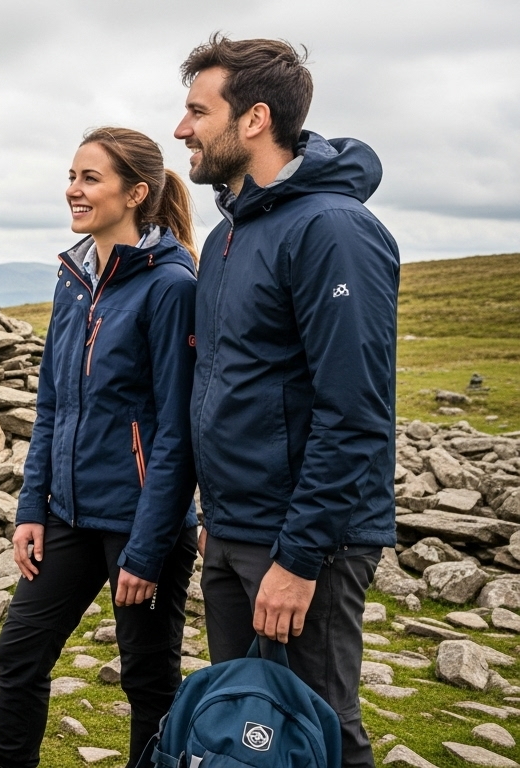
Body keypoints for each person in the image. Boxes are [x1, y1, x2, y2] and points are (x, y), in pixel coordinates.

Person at [174, 35, 399, 768]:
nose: (181, 129)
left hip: (306, 542)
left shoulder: (333, 231)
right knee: (246, 724)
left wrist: (299, 558)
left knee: (318, 729)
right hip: (235, 530)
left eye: (197, 111)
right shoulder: (231, 233)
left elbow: (354, 412)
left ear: (254, 119)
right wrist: (215, 519)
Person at [0, 127, 199, 768]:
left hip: (142, 522)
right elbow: (52, 404)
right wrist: (32, 508)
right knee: (20, 651)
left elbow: (176, 432)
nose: (74, 190)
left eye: (90, 178)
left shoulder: (170, 286)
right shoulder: (74, 278)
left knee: (148, 680)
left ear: (135, 193)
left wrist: (148, 547)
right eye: (72, 177)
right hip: (68, 515)